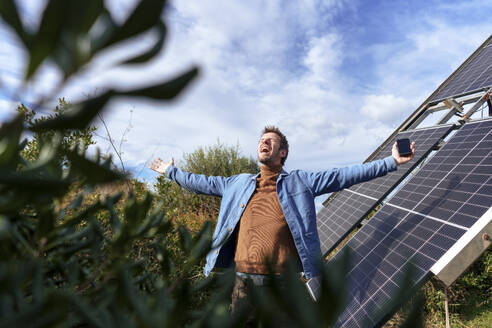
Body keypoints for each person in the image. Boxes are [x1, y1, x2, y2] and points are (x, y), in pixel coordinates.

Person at [150, 126, 415, 324]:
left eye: (270, 141)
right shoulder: (237, 183)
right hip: (243, 283)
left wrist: (390, 162)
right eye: (261, 141)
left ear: (282, 152)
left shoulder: (300, 182)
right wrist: (171, 172)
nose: (263, 143)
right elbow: (202, 183)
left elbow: (343, 175)